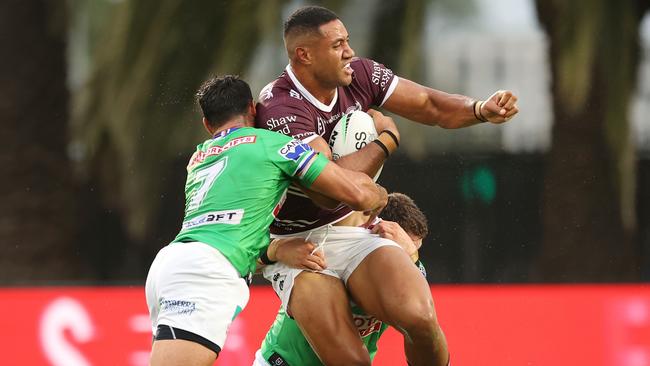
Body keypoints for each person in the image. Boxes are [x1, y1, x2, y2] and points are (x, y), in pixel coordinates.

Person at [255, 6, 520, 366]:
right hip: (298, 244)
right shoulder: (281, 107)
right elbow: (328, 185)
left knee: (421, 319)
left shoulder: (359, 74)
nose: (350, 51)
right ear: (304, 54)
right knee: (354, 362)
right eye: (338, 45)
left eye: (347, 41)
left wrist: (477, 109)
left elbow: (429, 104)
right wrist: (386, 140)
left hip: (351, 228)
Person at [144, 75, 388, 366]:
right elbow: (354, 194)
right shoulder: (275, 145)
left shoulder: (199, 156)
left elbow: (231, 231)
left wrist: (276, 251)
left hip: (171, 266)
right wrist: (386, 147)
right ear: (253, 109)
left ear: (208, 126)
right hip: (205, 271)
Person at [253, 192, 431, 366]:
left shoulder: (407, 273)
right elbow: (246, 259)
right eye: (402, 249)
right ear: (375, 230)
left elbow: (421, 328)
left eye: (414, 250)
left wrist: (413, 256)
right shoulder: (328, 246)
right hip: (283, 361)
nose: (407, 257)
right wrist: (275, 250)